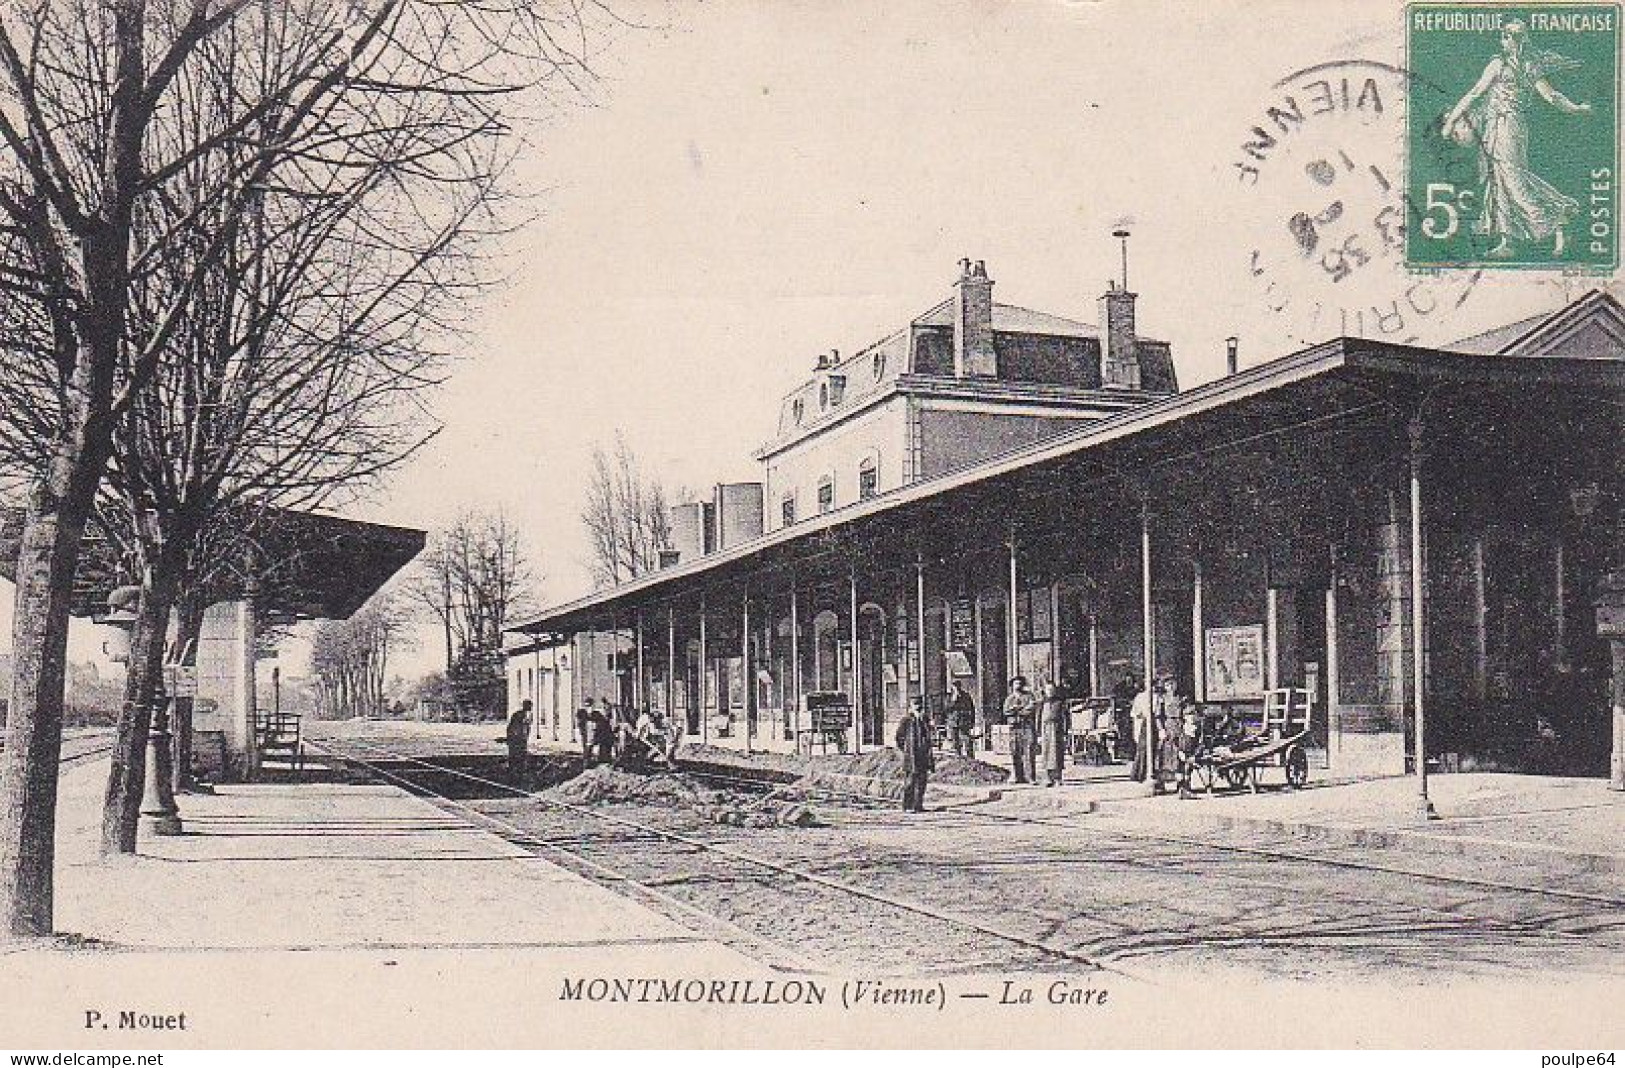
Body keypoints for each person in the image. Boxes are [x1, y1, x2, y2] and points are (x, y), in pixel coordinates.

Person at [1441, 19, 1592, 259]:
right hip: (1500, 126)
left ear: (1521, 40)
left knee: (1512, 180)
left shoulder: (1522, 66)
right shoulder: (1507, 65)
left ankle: (1557, 220)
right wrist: (1452, 121)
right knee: (1499, 179)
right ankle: (1507, 241)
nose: (1508, 40)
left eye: (1512, 36)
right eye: (1506, 36)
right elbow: (1476, 93)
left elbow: (1550, 95)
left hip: (1508, 127)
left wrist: (1575, 109)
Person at [895, 696, 935, 813]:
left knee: (922, 781)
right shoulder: (906, 720)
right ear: (911, 707)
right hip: (912, 755)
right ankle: (908, 806)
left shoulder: (925, 719)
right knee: (910, 782)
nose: (918, 707)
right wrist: (906, 750)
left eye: (919, 705)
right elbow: (899, 737)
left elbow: (929, 735)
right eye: (915, 705)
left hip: (923, 755)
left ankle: (918, 805)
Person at [1003, 676, 1038, 785]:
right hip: (1014, 728)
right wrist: (1018, 709)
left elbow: (1031, 709)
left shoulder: (1029, 696)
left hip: (1027, 727)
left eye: (1019, 683)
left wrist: (1017, 710)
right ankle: (1018, 776)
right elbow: (1006, 711)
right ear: (1012, 686)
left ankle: (1030, 777)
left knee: (1029, 751)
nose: (1017, 686)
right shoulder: (1009, 699)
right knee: (1015, 752)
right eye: (1015, 684)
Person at [1039, 681, 1069, 787]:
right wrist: (1039, 734)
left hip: (1057, 730)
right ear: (1045, 691)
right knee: (1046, 754)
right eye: (1048, 690)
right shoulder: (1042, 703)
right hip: (1045, 730)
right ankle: (1048, 778)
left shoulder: (1060, 703)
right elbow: (1038, 719)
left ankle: (1058, 778)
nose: (1050, 692)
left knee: (1057, 753)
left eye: (1052, 690)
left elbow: (1065, 718)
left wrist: (1065, 732)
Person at [947, 679, 978, 758]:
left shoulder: (966, 696)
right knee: (956, 742)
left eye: (957, 686)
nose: (956, 688)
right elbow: (947, 709)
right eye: (954, 686)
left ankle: (970, 758)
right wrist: (954, 700)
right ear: (952, 687)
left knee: (967, 741)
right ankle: (958, 758)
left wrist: (972, 722)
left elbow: (972, 709)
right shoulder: (949, 697)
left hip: (964, 722)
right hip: (954, 723)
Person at [505, 699, 533, 779]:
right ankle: (512, 774)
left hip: (522, 740)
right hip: (515, 740)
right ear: (525, 706)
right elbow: (511, 727)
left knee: (521, 756)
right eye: (529, 706)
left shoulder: (528, 715)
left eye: (530, 706)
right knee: (514, 756)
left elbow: (527, 728)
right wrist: (511, 737)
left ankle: (519, 774)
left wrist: (525, 737)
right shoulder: (517, 715)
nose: (530, 707)